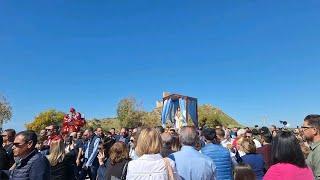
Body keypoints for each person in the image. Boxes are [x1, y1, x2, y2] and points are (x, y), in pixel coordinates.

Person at [302, 114, 320, 179]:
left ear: (314, 130)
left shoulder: (318, 151)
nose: (302, 130)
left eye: (304, 128)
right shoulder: (315, 148)